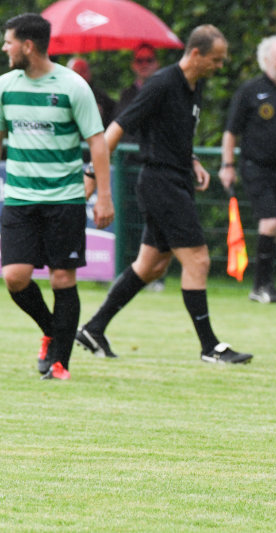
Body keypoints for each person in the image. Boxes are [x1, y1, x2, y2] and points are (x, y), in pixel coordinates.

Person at [75, 24, 253, 365]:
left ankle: (94, 329)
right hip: (161, 183)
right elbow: (116, 129)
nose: (220, 66)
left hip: (175, 180)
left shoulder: (194, 86)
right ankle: (209, 347)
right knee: (198, 260)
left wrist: (193, 160)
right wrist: (92, 176)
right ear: (196, 53)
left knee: (151, 265)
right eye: (216, 59)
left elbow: (174, 133)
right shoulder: (161, 84)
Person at [0, 13, 114, 380]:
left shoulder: (72, 86)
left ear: (28, 46)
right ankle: (52, 331)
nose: (5, 48)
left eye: (9, 42)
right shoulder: (5, 87)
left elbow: (97, 142)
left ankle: (60, 363)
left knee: (63, 279)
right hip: (19, 199)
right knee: (14, 277)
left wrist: (104, 196)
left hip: (64, 199)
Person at [219, 35, 276, 304]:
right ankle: (259, 286)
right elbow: (230, 132)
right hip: (255, 167)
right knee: (270, 221)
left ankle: (266, 283)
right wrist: (227, 165)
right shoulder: (250, 91)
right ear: (266, 59)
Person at [113, 44, 166, 292]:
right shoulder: (127, 94)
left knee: (157, 223)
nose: (144, 64)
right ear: (134, 65)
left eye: (149, 60)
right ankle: (131, 274)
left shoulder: (164, 89)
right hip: (130, 169)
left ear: (157, 63)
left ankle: (156, 275)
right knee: (131, 225)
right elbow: (122, 127)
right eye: (140, 60)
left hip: (157, 166)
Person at [67, 56, 116, 129]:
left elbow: (115, 116)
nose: (80, 75)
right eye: (76, 72)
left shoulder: (100, 96)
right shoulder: (63, 95)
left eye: (83, 71)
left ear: (89, 73)